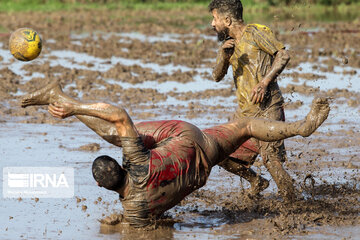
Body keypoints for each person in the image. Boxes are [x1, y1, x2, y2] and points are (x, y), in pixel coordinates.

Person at [21, 81, 329, 228]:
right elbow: (118, 114)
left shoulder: (135, 210)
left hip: (202, 164)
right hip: (188, 137)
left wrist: (118, 221)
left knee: (119, 133)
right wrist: (74, 108)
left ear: (102, 187)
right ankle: (302, 127)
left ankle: (59, 97)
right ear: (119, 166)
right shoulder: (136, 160)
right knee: (248, 125)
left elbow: (154, 227)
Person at [209, 0, 295, 200]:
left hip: (268, 108)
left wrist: (264, 82)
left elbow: (283, 55)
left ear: (227, 20)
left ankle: (293, 204)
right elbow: (216, 76)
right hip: (245, 112)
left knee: (271, 159)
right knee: (220, 154)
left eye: (215, 19)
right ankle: (257, 181)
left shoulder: (256, 32)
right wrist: (223, 56)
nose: (212, 24)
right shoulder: (228, 46)